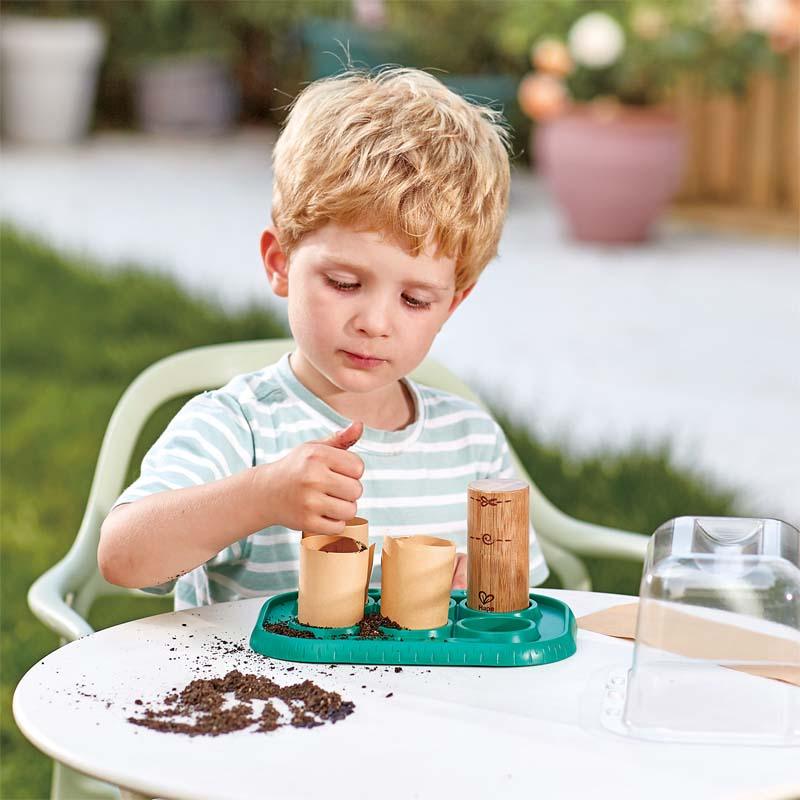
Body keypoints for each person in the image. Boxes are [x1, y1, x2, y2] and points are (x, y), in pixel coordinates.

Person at [98, 67, 548, 609]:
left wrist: (481, 581)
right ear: (280, 264)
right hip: (268, 694)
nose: (374, 322)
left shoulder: (470, 439)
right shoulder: (242, 425)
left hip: (432, 694)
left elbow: (521, 595)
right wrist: (261, 496)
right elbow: (123, 557)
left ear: (453, 303)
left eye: (415, 300)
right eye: (344, 283)